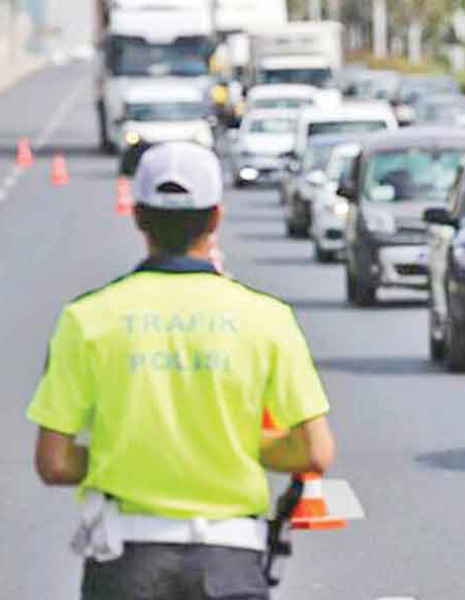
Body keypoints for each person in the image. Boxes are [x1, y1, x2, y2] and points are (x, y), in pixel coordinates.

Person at [27, 142, 335, 600]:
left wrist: (132, 455)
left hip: (126, 561)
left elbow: (53, 462)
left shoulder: (87, 319)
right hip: (230, 560)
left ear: (137, 215)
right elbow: (314, 451)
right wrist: (228, 446)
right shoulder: (266, 318)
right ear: (215, 218)